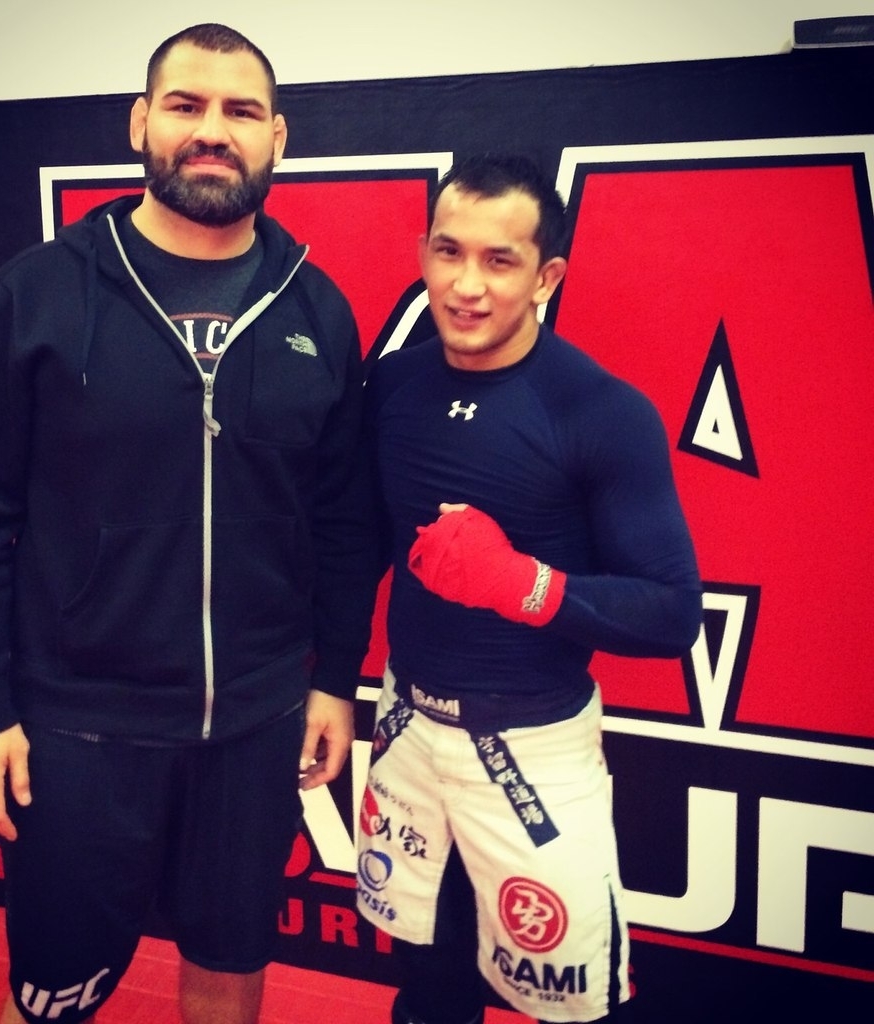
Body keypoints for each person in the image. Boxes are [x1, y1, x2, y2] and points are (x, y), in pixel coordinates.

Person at [0, 23, 377, 1024]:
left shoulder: (317, 310)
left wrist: (335, 679)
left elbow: (344, 523)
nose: (213, 130)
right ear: (140, 123)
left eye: (241, 111)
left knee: (229, 968)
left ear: (277, 138)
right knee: (53, 996)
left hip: (256, 725)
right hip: (79, 728)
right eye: (186, 104)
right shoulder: (40, 292)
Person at [356, 153, 702, 1024]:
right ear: (424, 253)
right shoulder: (392, 386)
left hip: (535, 748)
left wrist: (523, 584)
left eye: (499, 260)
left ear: (546, 277)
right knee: (427, 988)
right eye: (448, 252)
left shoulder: (601, 410)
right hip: (407, 732)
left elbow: (672, 613)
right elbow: (352, 549)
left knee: (573, 1004)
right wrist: (319, 678)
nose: (466, 285)